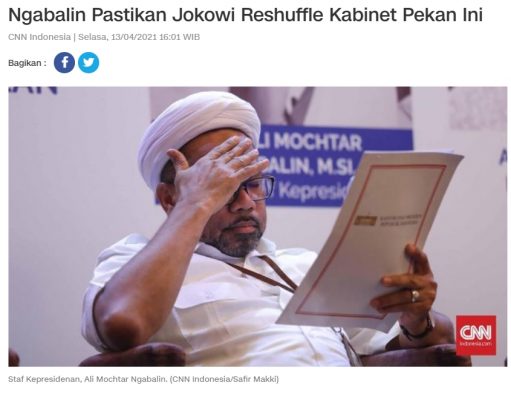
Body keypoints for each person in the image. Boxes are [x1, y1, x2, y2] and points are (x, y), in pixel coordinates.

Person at [82, 91, 454, 366]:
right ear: (169, 198)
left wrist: (416, 317)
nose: (246, 202)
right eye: (223, 187)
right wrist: (195, 205)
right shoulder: (132, 260)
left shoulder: (304, 265)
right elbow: (121, 325)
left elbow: (434, 339)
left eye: (254, 183)